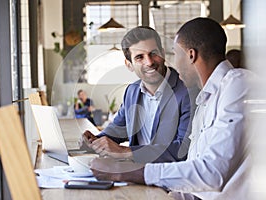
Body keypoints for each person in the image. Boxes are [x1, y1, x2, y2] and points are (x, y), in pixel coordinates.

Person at [90, 17, 253, 200]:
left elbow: (212, 172)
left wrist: (126, 171)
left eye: (175, 54)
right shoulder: (205, 99)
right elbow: (195, 178)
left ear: (191, 55)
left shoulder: (239, 84)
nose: (172, 63)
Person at [83, 26, 191, 163]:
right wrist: (94, 141)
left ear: (163, 54)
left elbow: (183, 149)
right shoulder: (131, 92)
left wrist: (125, 151)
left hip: (169, 176)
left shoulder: (187, 91)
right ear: (129, 65)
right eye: (140, 57)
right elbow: (117, 130)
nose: (149, 62)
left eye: (153, 53)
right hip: (135, 174)